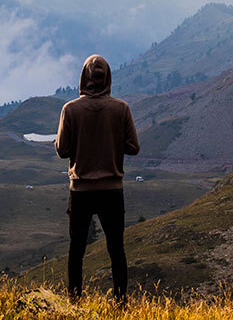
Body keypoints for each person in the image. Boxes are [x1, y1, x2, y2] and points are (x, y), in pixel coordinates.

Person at [55, 54, 140, 302]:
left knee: (76, 250)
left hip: (80, 191)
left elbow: (62, 150)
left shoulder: (70, 110)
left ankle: (74, 301)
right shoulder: (121, 109)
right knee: (116, 250)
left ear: (84, 77)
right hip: (112, 190)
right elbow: (133, 147)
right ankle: (120, 302)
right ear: (108, 78)